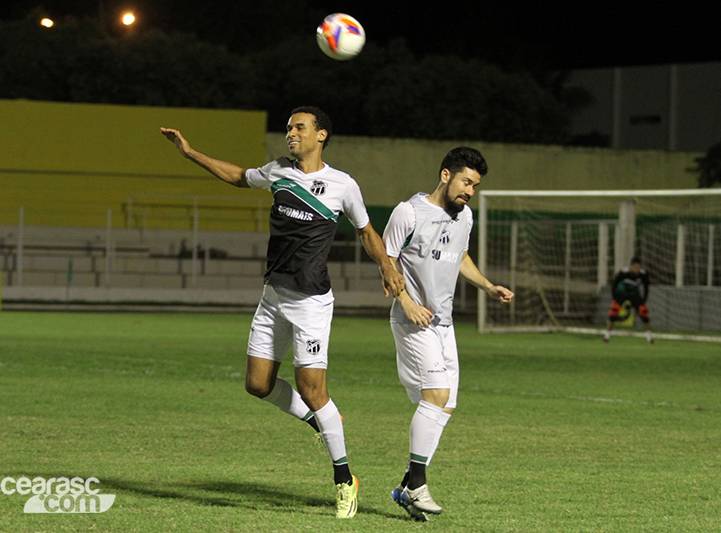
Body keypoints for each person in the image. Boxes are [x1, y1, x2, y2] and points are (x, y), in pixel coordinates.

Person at [160, 106, 404, 519]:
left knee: (313, 391)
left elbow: (366, 231)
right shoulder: (277, 171)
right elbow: (238, 176)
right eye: (289, 127)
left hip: (310, 303)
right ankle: (319, 422)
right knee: (257, 384)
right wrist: (190, 153)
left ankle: (344, 479)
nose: (291, 133)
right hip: (273, 296)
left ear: (321, 135)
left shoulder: (342, 185)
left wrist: (387, 265)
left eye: (299, 127)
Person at [382, 147, 514, 521]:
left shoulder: (465, 216)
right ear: (445, 176)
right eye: (465, 182)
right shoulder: (408, 212)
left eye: (474, 186)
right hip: (413, 322)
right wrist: (406, 302)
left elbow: (460, 256)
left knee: (447, 404)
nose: (469, 191)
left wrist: (488, 286)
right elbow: (387, 260)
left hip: (444, 324)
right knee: (436, 396)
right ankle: (418, 485)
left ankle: (407, 485)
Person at [604, 256, 653, 344]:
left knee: (644, 313)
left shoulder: (643, 274)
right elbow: (614, 284)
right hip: (621, 294)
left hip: (634, 294)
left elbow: (646, 287)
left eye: (639, 267)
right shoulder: (623, 273)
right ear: (631, 266)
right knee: (613, 313)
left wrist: (644, 300)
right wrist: (614, 298)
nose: (637, 269)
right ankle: (607, 337)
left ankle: (650, 338)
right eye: (635, 267)